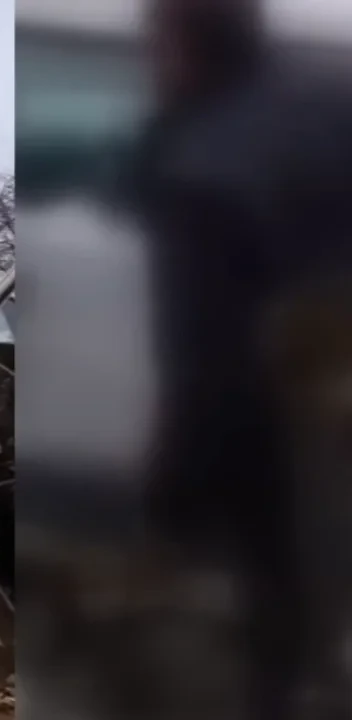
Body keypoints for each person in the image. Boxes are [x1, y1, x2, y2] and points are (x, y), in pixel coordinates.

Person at [130, 0, 352, 716]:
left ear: (192, 51)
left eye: (160, 49)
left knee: (263, 576)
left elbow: (208, 351)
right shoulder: (305, 123)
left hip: (259, 416)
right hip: (306, 411)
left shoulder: (211, 164)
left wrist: (173, 474)